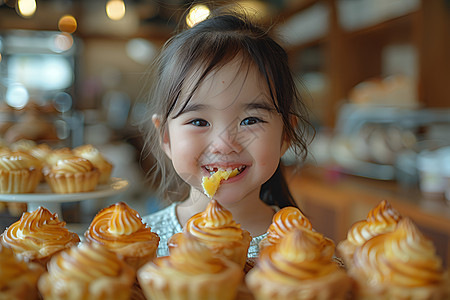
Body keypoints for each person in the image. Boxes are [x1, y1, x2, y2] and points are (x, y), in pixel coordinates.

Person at [140, 8, 312, 258]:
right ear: (166, 137)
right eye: (199, 121)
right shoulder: (138, 244)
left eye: (250, 120)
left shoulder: (306, 248)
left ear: (285, 136)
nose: (224, 144)